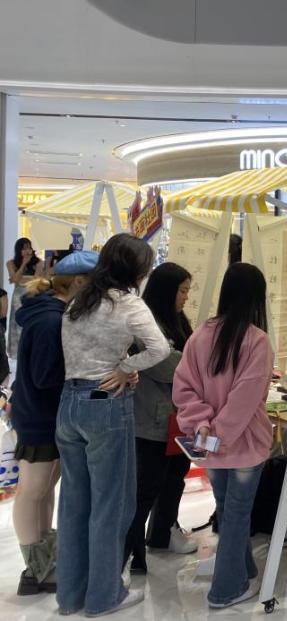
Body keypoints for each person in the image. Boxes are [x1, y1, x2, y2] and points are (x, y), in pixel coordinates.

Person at [56, 234, 170, 616]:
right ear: (136, 269)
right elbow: (160, 348)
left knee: (73, 505)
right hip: (104, 405)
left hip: (69, 404)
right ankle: (104, 596)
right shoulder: (129, 304)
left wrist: (123, 368)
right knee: (111, 505)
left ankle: (70, 597)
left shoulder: (79, 301)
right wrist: (125, 368)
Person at [174, 263, 273, 609]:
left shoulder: (200, 335)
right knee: (236, 515)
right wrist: (220, 434)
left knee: (230, 512)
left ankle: (243, 571)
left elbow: (184, 387)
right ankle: (226, 590)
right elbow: (245, 400)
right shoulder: (256, 340)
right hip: (243, 445)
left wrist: (204, 427)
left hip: (209, 446)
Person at [9, 251, 95, 596]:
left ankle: (44, 559)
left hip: (44, 415)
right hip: (39, 417)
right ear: (79, 283)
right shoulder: (49, 321)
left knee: (43, 490)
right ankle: (36, 566)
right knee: (33, 490)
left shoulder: (52, 314)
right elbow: (46, 376)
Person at [123, 263, 197, 576]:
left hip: (180, 416)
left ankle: (163, 533)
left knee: (175, 477)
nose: (186, 297)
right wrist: (195, 363)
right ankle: (131, 552)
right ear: (167, 291)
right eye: (182, 291)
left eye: (187, 291)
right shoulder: (145, 322)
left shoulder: (177, 319)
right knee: (147, 486)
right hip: (152, 418)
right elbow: (166, 366)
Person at [8, 237, 41, 358]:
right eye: (24, 248)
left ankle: (31, 352)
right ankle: (17, 353)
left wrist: (21, 279)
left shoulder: (39, 262)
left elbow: (37, 280)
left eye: (29, 248)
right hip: (18, 297)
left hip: (32, 295)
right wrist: (23, 264)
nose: (27, 251)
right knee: (17, 323)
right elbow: (15, 280)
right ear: (18, 250)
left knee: (31, 323)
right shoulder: (11, 263)